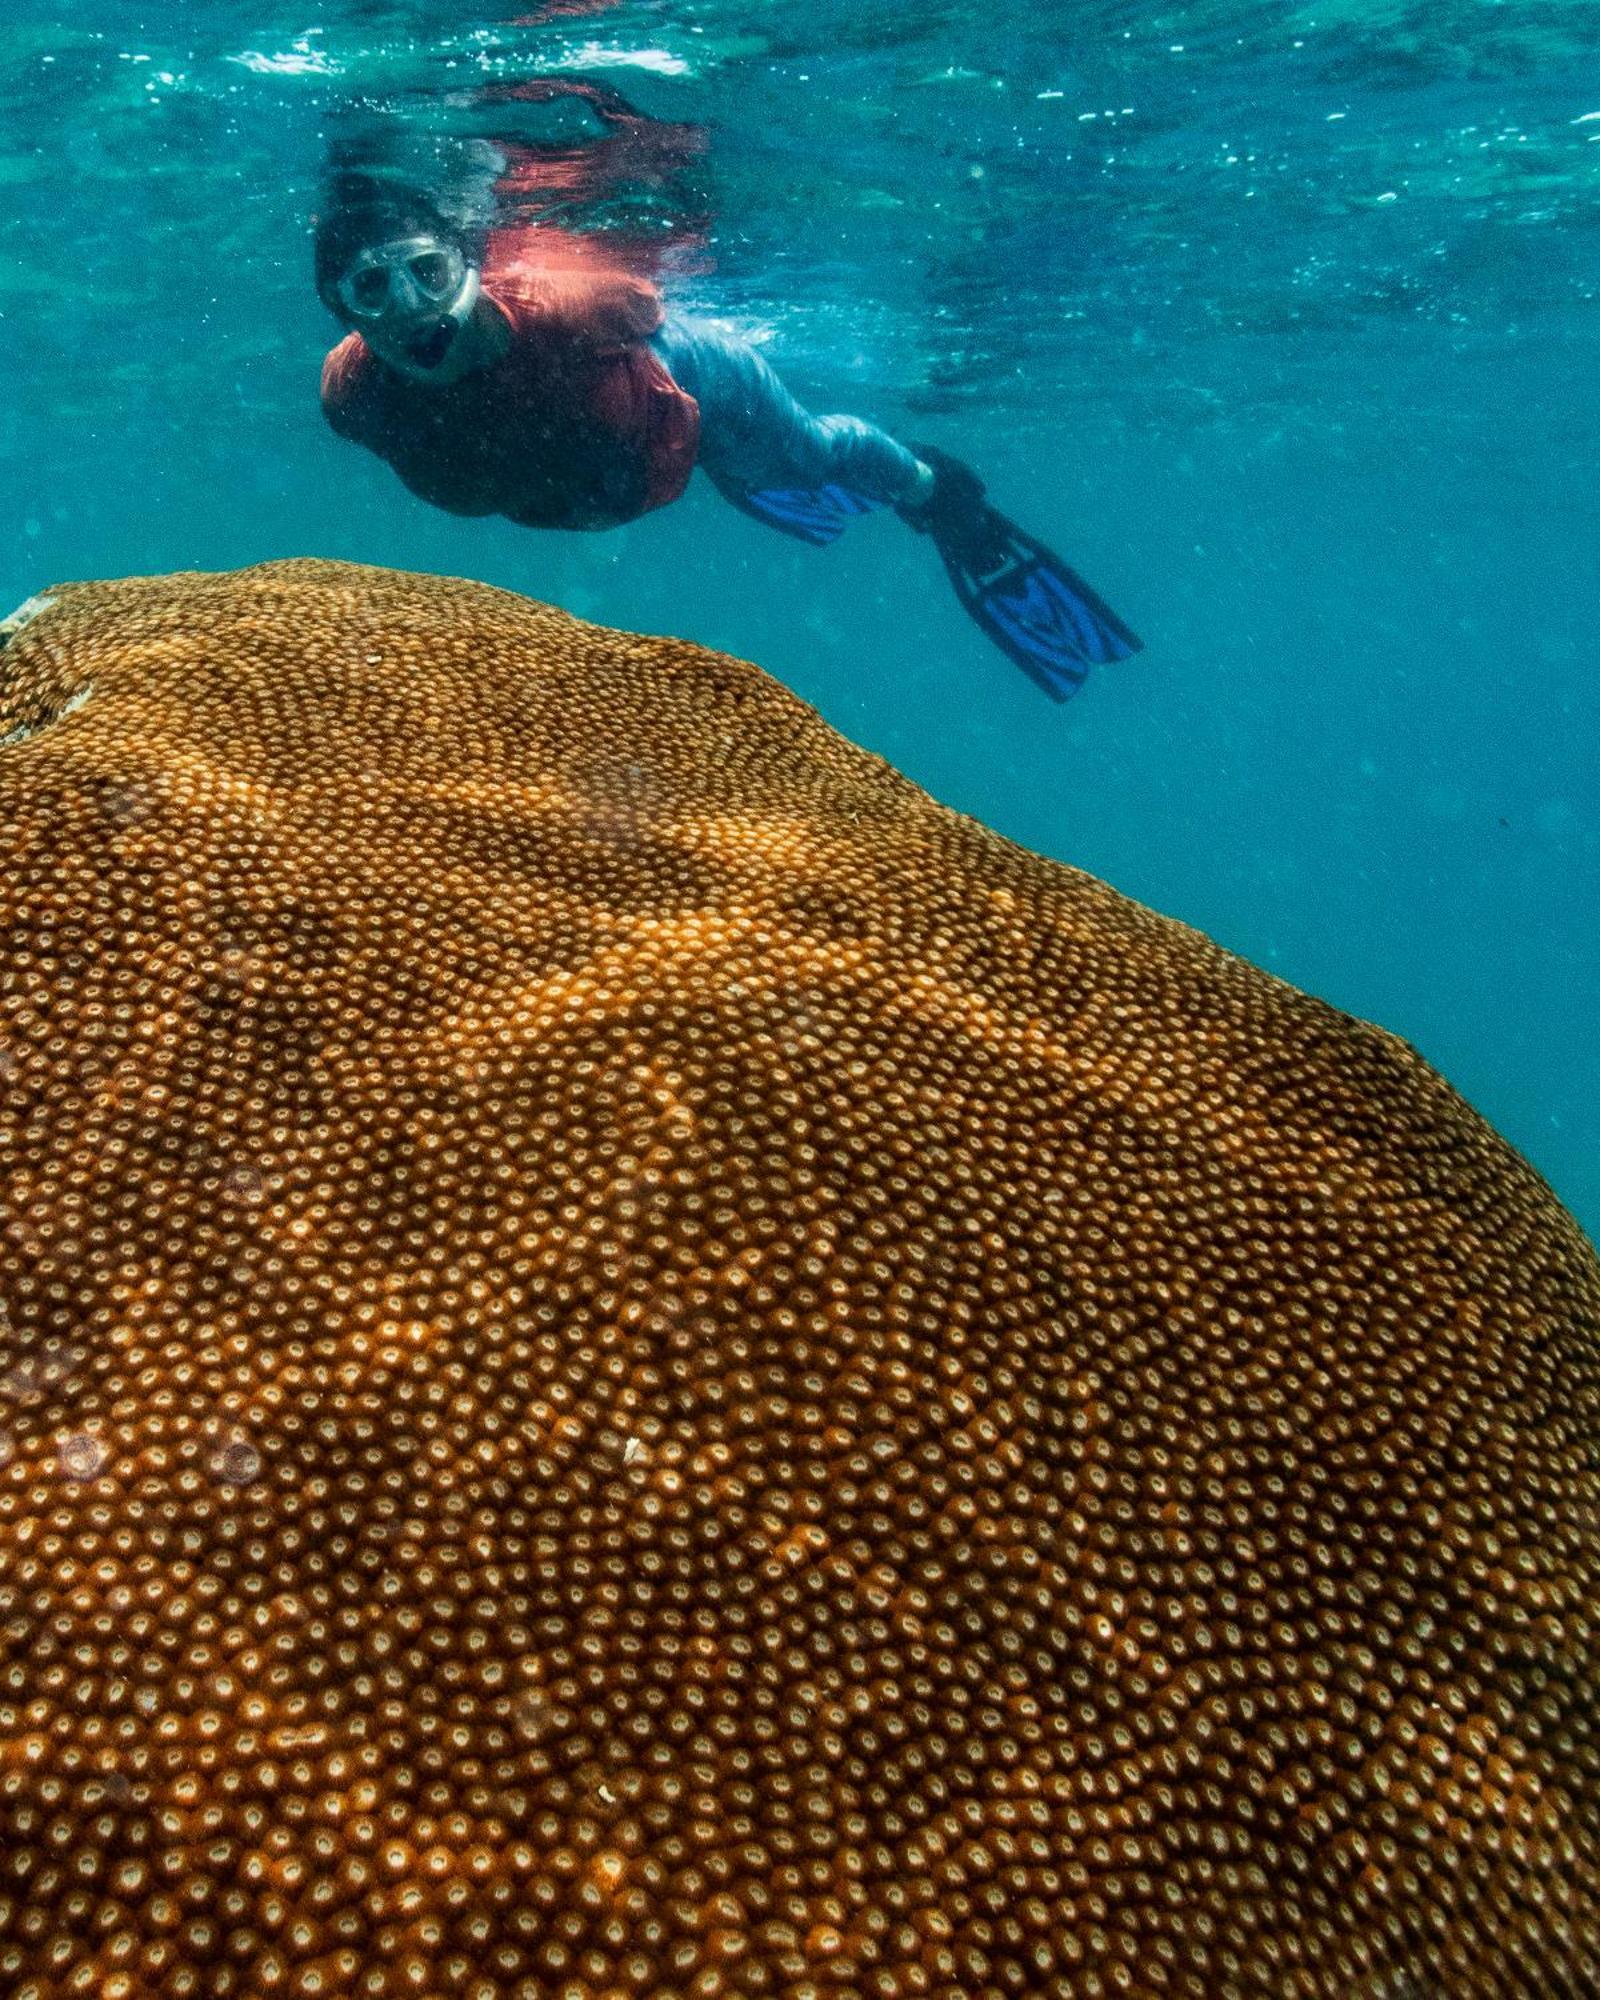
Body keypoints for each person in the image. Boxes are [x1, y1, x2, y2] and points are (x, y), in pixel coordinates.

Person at [315, 185, 1140, 701]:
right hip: (617, 471)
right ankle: (738, 475)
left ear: (466, 266)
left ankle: (934, 490)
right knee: (756, 470)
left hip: (690, 386)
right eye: (372, 288)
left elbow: (646, 307)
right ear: (342, 309)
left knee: (809, 454)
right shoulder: (352, 397)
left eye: (426, 271)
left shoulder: (567, 309)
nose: (411, 307)